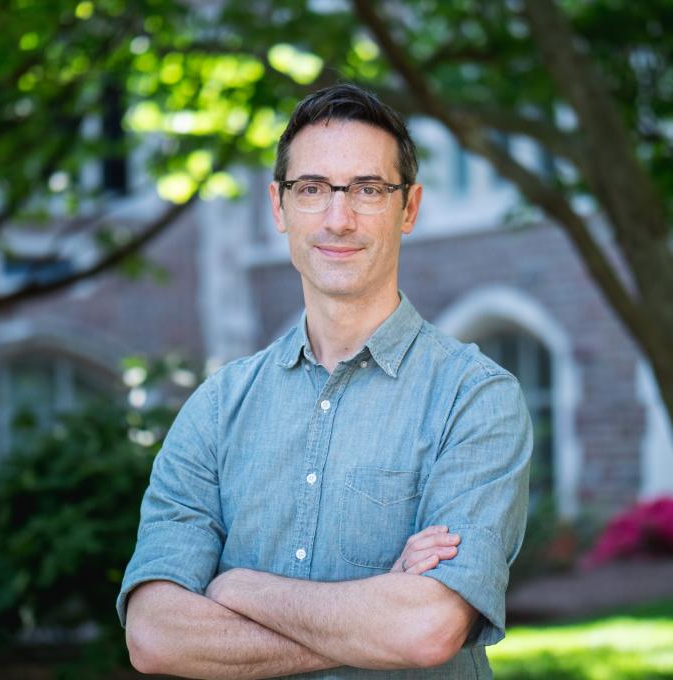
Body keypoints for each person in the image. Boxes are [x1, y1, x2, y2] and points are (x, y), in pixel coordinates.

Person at [118, 83, 532, 679]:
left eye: (368, 189)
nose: (339, 219)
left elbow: (427, 629)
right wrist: (379, 606)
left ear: (408, 207)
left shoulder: (474, 399)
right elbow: (155, 637)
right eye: (312, 189)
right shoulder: (215, 408)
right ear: (279, 207)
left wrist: (238, 588)